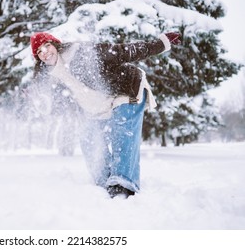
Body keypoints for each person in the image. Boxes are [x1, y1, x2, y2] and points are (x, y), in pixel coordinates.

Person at [30, 31, 181, 198]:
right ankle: (105, 182)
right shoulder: (52, 78)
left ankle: (123, 184)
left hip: (124, 91)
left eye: (47, 46)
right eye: (39, 52)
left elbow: (125, 51)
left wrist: (161, 43)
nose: (45, 53)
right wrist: (41, 104)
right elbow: (60, 106)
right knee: (88, 137)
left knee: (122, 131)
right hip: (97, 106)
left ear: (55, 45)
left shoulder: (83, 52)